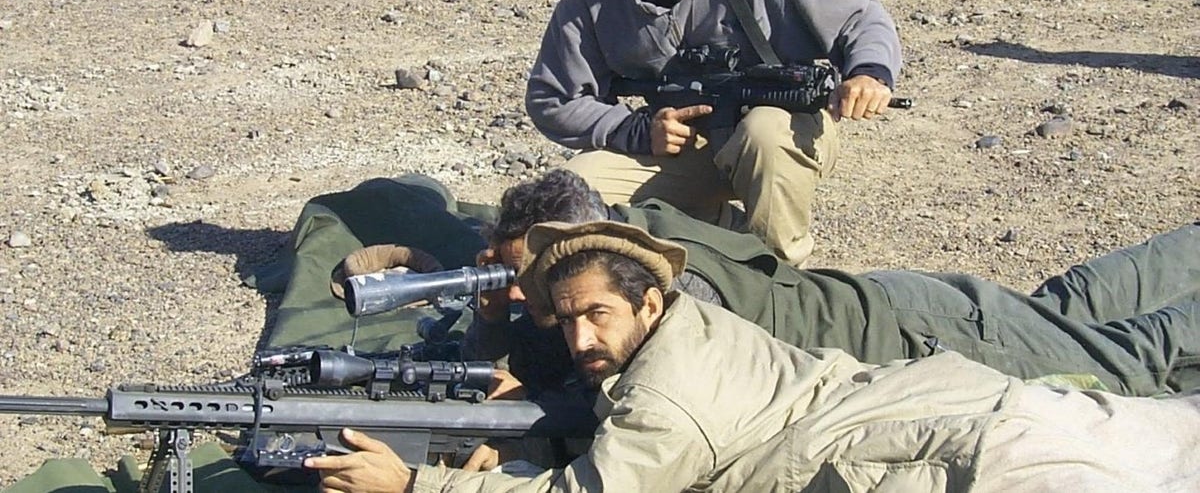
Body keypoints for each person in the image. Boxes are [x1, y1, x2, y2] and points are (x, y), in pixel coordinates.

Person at [305, 220, 1200, 492]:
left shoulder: (670, 398)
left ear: (649, 301)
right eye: (563, 320)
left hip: (980, 453)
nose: (578, 338)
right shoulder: (670, 308)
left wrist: (420, 485)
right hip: (947, 397)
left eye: (594, 319)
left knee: (1133, 345)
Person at [465, 169, 1200, 398]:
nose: (522, 291)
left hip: (920, 338)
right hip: (907, 309)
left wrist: (511, 342)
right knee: (1071, 310)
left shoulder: (676, 303)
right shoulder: (638, 231)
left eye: (525, 272)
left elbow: (632, 389)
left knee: (1126, 365)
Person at [524, 0, 903, 265]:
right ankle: (714, 236)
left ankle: (783, 281)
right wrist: (637, 130)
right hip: (683, 148)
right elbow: (552, 96)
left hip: (775, 136)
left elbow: (861, 18)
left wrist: (869, 73)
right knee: (573, 202)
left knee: (764, 132)